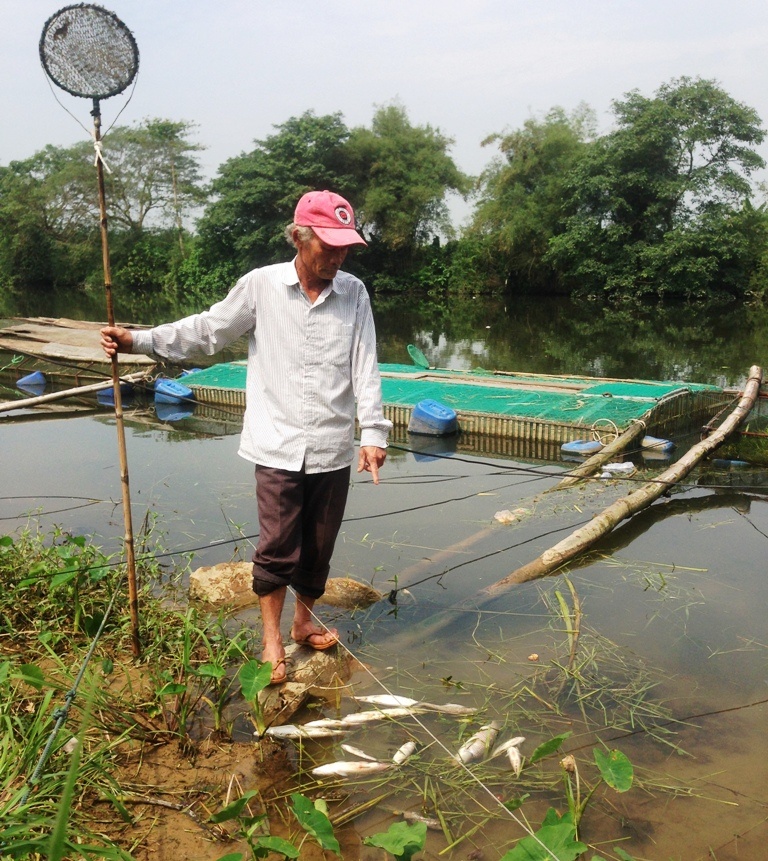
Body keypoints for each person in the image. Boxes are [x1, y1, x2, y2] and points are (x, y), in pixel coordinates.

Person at [101, 190, 391, 684]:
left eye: (345, 248)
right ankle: (271, 639)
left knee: (319, 546)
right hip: (276, 444)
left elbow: (365, 364)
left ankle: (303, 623)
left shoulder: (354, 293)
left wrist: (373, 432)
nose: (338, 257)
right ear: (300, 237)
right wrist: (140, 340)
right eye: (329, 245)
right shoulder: (261, 286)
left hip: (332, 445)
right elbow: (208, 332)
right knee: (278, 546)